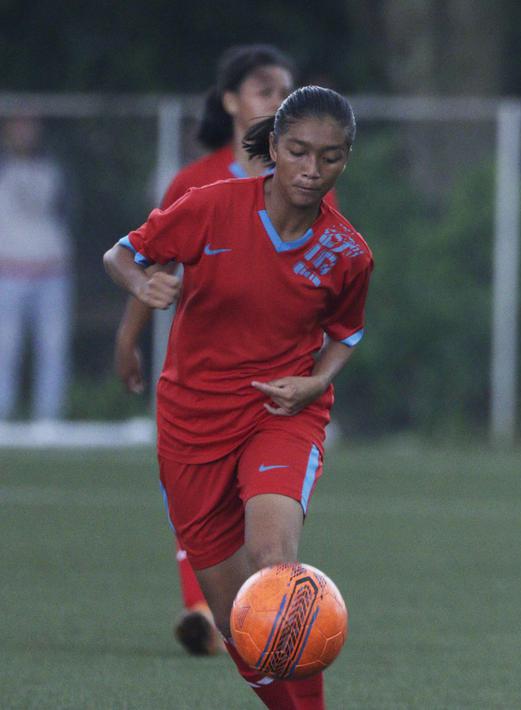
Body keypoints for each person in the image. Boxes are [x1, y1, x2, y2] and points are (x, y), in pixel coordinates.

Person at [103, 86, 371, 709]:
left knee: (274, 565)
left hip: (280, 414)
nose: (311, 170)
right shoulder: (210, 207)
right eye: (298, 151)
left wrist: (317, 381)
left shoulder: (348, 252)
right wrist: (144, 282)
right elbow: (121, 254)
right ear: (273, 146)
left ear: (344, 160)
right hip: (190, 424)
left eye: (328, 157)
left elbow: (346, 332)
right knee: (238, 625)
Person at [113, 44, 301, 657]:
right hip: (198, 381)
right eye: (264, 89)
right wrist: (128, 337)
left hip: (276, 385)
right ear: (230, 100)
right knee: (197, 501)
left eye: (285, 91)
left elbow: (327, 276)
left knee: (261, 507)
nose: (277, 101)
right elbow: (151, 261)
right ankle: (215, 611)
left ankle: (253, 613)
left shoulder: (304, 186)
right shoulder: (197, 183)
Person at [0, 115, 72, 421]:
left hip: (51, 272)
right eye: (18, 126)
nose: (24, 132)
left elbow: (68, 213)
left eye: (29, 126)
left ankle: (49, 419)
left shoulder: (55, 170)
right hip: (9, 271)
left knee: (52, 349)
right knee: (6, 349)